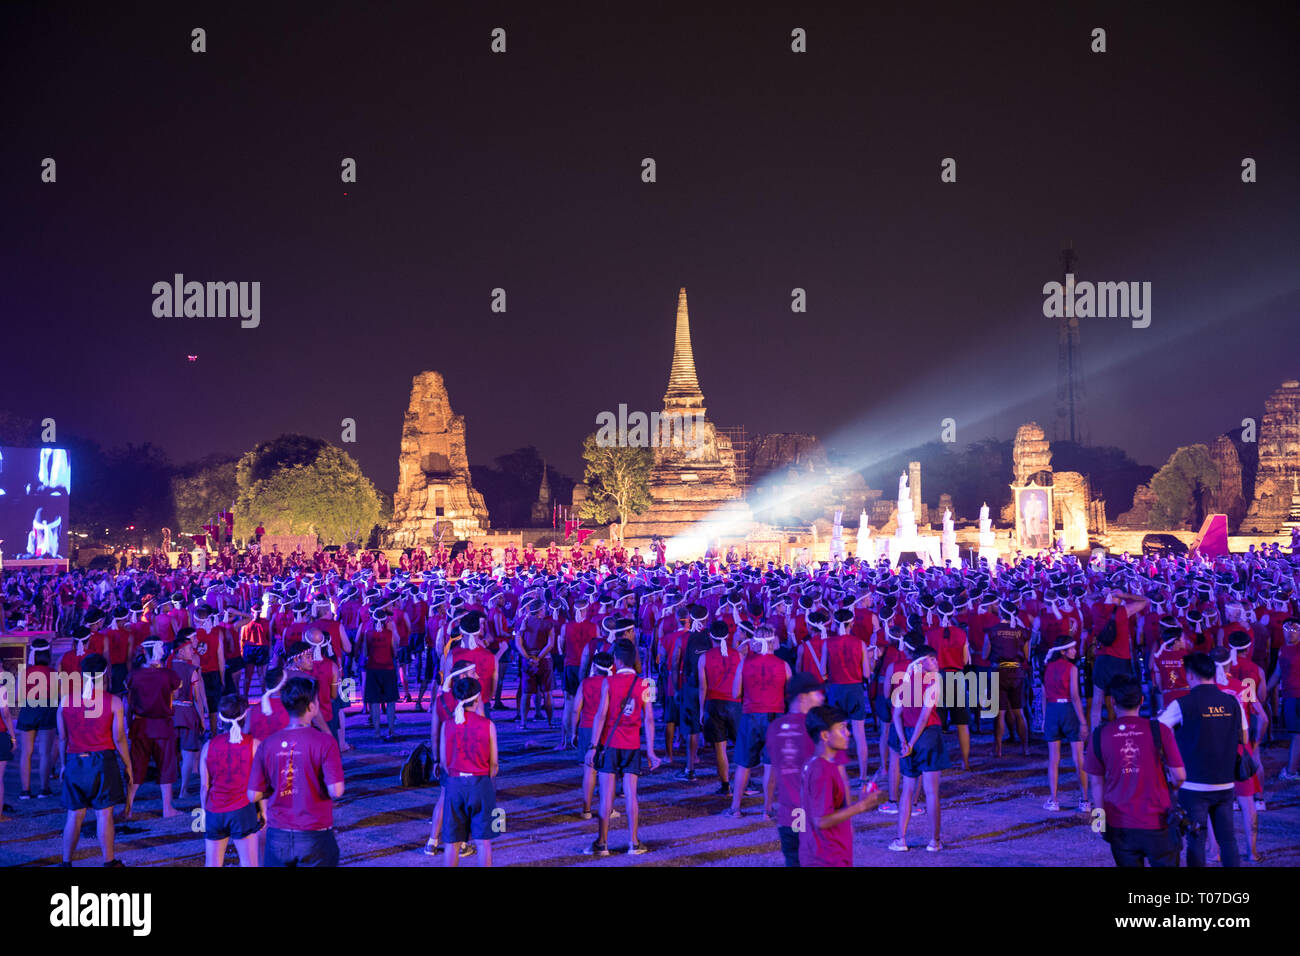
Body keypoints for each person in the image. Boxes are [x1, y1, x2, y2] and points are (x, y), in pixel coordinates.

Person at [1085, 675, 1186, 867]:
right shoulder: (1160, 730)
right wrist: (1171, 789)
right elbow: (1180, 776)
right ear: (1141, 700)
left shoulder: (1098, 736)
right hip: (1159, 822)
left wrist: (1099, 822)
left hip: (1120, 825)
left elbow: (1096, 783)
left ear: (1113, 701)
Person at [1158, 652, 1247, 867]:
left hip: (1193, 783)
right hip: (1225, 782)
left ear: (1189, 675)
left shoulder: (1182, 704)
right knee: (1228, 841)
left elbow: (1158, 732)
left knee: (1196, 840)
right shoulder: (1232, 702)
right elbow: (1244, 736)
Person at [247, 676, 345, 866]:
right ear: (311, 706)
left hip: (278, 835)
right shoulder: (325, 742)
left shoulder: (267, 745)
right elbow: (337, 790)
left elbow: (253, 794)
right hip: (315, 833)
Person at [585, 637, 660, 856]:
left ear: (616, 660)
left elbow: (601, 715)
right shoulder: (647, 683)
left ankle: (603, 843)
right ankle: (634, 842)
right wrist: (651, 750)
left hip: (610, 744)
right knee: (631, 795)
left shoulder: (608, 682)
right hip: (632, 745)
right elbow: (650, 719)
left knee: (607, 796)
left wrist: (593, 745)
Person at [57, 654, 131, 866]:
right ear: (105, 674)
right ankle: (109, 861)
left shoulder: (65, 701)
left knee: (74, 815)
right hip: (102, 761)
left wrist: (63, 764)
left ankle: (66, 862)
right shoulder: (114, 702)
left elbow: (62, 738)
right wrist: (127, 764)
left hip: (75, 760)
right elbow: (119, 738)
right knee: (104, 814)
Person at [798, 705, 886, 866]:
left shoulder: (820, 764)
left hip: (829, 851)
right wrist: (861, 806)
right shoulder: (821, 770)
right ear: (825, 735)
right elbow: (821, 820)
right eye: (841, 728)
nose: (848, 733)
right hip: (827, 856)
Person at [724, 625, 791, 816]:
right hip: (775, 716)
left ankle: (735, 808)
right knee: (770, 764)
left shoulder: (745, 663)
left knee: (744, 764)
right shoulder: (783, 665)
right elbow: (790, 692)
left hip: (751, 715)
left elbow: (736, 692)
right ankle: (767, 809)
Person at [888, 645, 949, 851]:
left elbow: (896, 716)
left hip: (905, 733)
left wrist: (903, 741)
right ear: (921, 662)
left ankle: (900, 839)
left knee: (907, 790)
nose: (937, 663)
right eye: (932, 659)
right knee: (931, 793)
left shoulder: (903, 682)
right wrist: (912, 742)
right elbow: (924, 716)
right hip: (927, 736)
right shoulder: (934, 681)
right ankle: (934, 841)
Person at [764, 674, 825, 866]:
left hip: (789, 816)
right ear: (803, 697)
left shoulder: (774, 728)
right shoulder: (816, 728)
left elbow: (773, 771)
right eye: (817, 693)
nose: (822, 697)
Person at [439, 675, 499, 867]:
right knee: (483, 843)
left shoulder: (447, 724)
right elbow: (494, 765)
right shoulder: (488, 725)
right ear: (478, 698)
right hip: (480, 783)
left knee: (452, 843)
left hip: (455, 783)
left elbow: (444, 762)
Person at [200, 694, 263, 867]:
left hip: (214, 809)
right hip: (242, 809)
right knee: (249, 862)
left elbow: (204, 787)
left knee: (212, 863)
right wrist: (263, 812)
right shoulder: (254, 745)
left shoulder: (208, 746)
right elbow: (260, 784)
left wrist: (205, 813)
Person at [124, 639, 184, 818]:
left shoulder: (133, 675)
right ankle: (167, 808)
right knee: (166, 766)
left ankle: (128, 808)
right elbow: (176, 693)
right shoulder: (169, 675)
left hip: (140, 725)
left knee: (136, 767)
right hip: (162, 725)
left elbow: (128, 701)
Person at [1042, 634, 1090, 813]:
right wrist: (1083, 722)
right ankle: (1084, 800)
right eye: (1072, 648)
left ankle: (1054, 800)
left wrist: (1045, 719)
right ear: (1063, 651)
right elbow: (1076, 696)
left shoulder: (1046, 667)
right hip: (1069, 710)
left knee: (1054, 759)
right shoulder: (1071, 668)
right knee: (1079, 758)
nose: (1075, 651)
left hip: (1053, 711)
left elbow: (1044, 696)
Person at [699, 619, 742, 797]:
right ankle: (743, 783)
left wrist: (701, 710)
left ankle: (725, 786)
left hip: (714, 703)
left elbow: (703, 687)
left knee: (720, 748)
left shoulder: (704, 657)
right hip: (734, 703)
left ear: (711, 636)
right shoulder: (738, 655)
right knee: (740, 747)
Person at [16, 637, 58, 800]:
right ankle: (43, 789)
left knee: (26, 753)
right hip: (46, 709)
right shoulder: (53, 672)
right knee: (45, 753)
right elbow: (57, 694)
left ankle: (25, 790)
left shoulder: (25, 672)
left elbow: (19, 696)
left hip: (28, 709)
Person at [1266, 619, 1300, 780]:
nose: (1290, 632)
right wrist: (1264, 691)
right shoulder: (1283, 649)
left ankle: (1291, 771)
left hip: (1295, 697)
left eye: (1294, 629)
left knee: (1297, 735)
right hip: (1289, 697)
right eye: (1287, 628)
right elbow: (1277, 674)